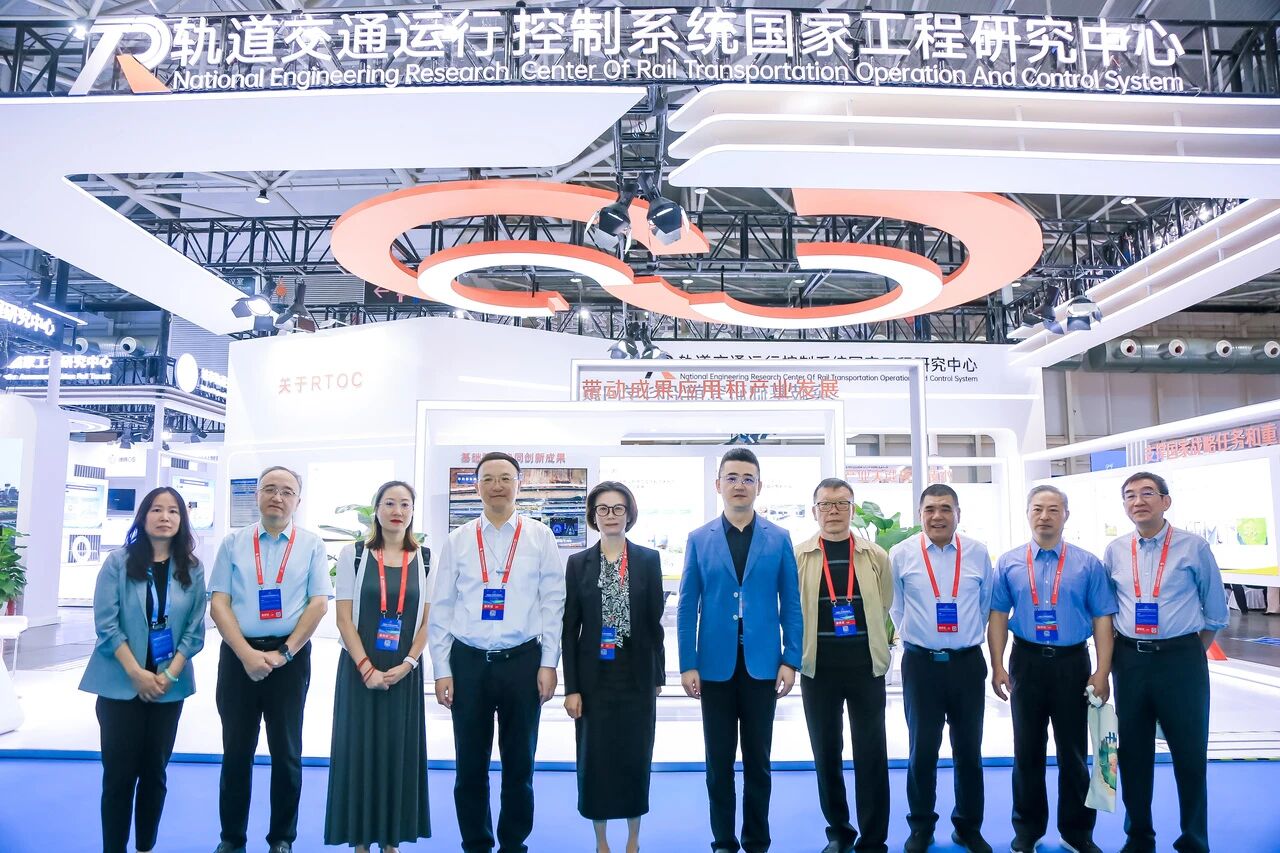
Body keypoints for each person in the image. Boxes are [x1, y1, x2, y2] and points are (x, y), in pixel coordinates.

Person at [428, 451, 566, 853]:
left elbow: (553, 603)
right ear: (476, 486)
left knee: (519, 765)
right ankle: (476, 843)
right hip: (468, 662)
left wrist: (549, 662)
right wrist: (441, 669)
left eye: (505, 478)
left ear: (519, 485)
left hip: (523, 662)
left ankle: (513, 844)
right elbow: (442, 607)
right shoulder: (458, 539)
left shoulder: (540, 536)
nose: (497, 486)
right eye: (488, 479)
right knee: (469, 765)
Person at [676, 447, 803, 853]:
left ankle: (757, 840)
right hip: (714, 667)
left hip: (763, 666)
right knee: (718, 763)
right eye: (731, 477)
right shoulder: (700, 539)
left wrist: (791, 658)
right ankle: (724, 841)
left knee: (758, 763)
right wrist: (687, 663)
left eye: (748, 478)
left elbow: (791, 603)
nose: (740, 485)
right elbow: (687, 605)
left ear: (759, 486)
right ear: (718, 485)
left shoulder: (779, 538)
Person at [209, 465, 333, 853]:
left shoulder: (311, 545)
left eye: (286, 491)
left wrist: (285, 652)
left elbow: (318, 604)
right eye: (269, 489)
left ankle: (281, 838)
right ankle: (231, 839)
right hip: (238, 656)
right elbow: (219, 603)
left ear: (298, 500)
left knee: (287, 753)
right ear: (257, 495)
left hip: (289, 659)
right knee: (236, 752)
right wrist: (246, 654)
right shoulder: (233, 543)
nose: (277, 497)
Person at [988, 485, 1117, 853]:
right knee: (1026, 749)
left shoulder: (1088, 564)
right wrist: (997, 664)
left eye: (1053, 509)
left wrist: (1102, 671)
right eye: (1037, 509)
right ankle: (1027, 829)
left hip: (1072, 663)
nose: (1044, 516)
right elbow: (998, 615)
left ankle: (1077, 831)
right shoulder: (1009, 562)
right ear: (1028, 513)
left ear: (1066, 515)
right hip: (1026, 662)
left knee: (1073, 752)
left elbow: (1102, 618)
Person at [1104, 471, 1227, 853]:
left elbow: (1215, 613)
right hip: (1130, 661)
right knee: (1133, 753)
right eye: (1130, 495)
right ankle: (1139, 837)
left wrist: (1184, 650)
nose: (1138, 501)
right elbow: (1109, 610)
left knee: (1189, 754)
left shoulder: (1194, 547)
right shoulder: (1115, 550)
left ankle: (1194, 839)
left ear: (1165, 501)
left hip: (1181, 661)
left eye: (1147, 493)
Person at [80, 486, 207, 853]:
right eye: (156, 509)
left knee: (155, 773)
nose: (165, 517)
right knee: (118, 777)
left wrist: (169, 674)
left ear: (182, 520)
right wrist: (137, 673)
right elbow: (107, 625)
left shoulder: (192, 568)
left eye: (173, 511)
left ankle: (145, 846)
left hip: (169, 687)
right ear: (143, 517)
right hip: (121, 685)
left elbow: (194, 631)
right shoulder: (118, 563)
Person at [326, 481, 432, 852]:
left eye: (404, 504)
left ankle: (391, 841)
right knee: (358, 754)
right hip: (359, 671)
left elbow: (428, 621)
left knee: (397, 755)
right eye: (389, 503)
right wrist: (366, 668)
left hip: (404, 673)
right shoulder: (354, 555)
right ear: (376, 509)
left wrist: (409, 663)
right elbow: (343, 619)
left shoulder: (426, 559)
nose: (397, 511)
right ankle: (360, 840)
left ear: (412, 511)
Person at [889, 484, 995, 853]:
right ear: (920, 515)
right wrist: (923, 636)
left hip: (967, 664)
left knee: (969, 750)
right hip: (921, 665)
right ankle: (921, 826)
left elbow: (984, 606)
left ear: (958, 514)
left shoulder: (978, 553)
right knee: (922, 750)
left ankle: (968, 827)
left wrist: (959, 637)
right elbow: (896, 607)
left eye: (946, 509)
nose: (938, 516)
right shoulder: (901, 554)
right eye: (930, 509)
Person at [562, 481, 665, 853]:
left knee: (635, 756)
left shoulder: (648, 560)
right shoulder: (578, 563)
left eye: (618, 508)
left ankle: (633, 838)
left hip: (636, 676)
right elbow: (570, 628)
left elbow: (655, 624)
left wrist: (658, 675)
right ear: (593, 515)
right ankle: (601, 841)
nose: (610, 515)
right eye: (603, 509)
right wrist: (571, 688)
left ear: (629, 514)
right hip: (594, 680)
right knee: (596, 759)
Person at [795, 478, 893, 853]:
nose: (833, 511)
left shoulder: (874, 556)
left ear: (853, 509)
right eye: (825, 504)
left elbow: (884, 602)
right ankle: (839, 831)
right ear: (814, 510)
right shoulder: (800, 555)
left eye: (841, 504)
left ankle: (874, 837)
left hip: (865, 668)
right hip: (818, 669)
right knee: (826, 753)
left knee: (872, 753)